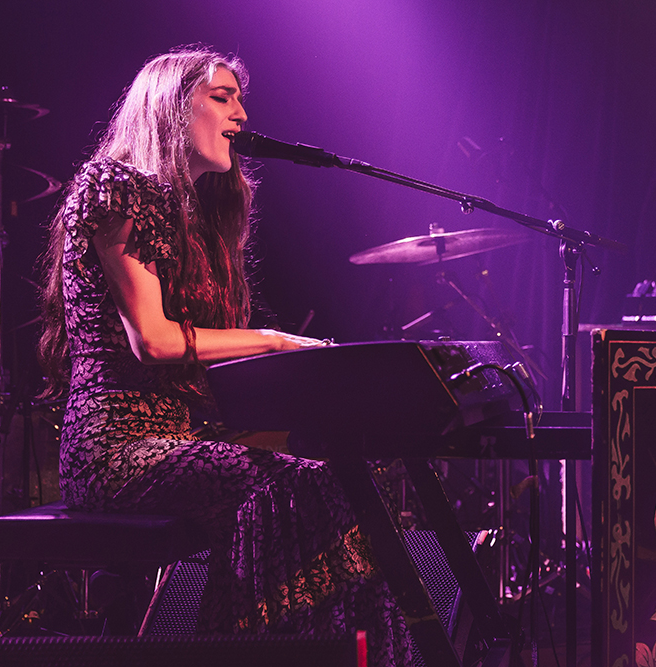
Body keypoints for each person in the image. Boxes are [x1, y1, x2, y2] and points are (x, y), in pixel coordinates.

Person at [37, 45, 413, 666]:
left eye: (240, 98)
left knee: (340, 476)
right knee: (287, 486)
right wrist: (274, 340)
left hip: (186, 436)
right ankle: (250, 651)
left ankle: (349, 653)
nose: (240, 113)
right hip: (115, 451)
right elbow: (154, 341)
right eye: (222, 96)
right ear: (170, 107)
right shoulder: (114, 187)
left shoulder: (198, 215)